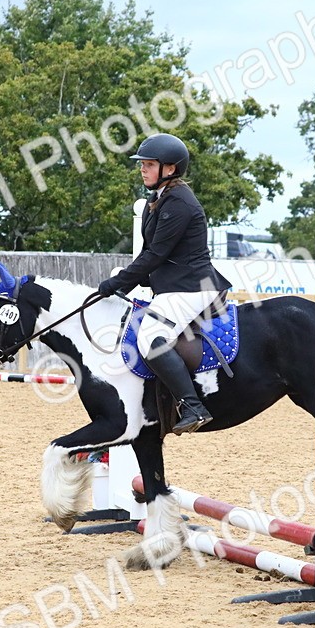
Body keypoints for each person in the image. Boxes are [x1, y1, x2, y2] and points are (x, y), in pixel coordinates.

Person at [97, 133, 232, 434]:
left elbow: (157, 254)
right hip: (174, 285)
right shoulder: (156, 201)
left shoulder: (180, 203)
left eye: (148, 164)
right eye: (141, 164)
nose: (142, 169)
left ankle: (193, 406)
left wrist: (118, 281)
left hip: (193, 286)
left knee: (150, 337)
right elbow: (151, 254)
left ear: (169, 169)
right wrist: (125, 284)